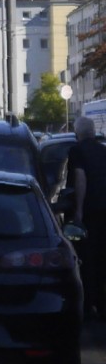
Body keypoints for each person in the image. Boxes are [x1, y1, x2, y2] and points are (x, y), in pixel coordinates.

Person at [70, 115, 106, 319]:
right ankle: (102, 302)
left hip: (89, 211)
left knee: (86, 256)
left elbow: (80, 179)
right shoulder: (104, 150)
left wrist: (78, 212)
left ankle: (88, 302)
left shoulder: (76, 151)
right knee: (102, 255)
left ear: (77, 133)